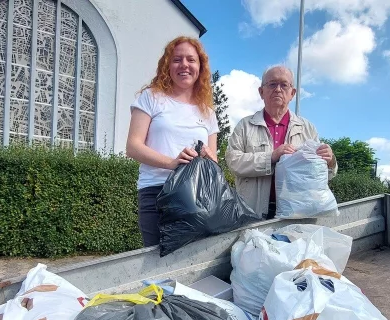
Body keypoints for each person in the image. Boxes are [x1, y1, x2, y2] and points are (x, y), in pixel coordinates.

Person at [126, 36, 219, 247]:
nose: (184, 65)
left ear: (200, 67)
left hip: (197, 196)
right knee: (156, 264)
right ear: (167, 65)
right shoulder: (151, 97)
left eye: (191, 60)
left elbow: (214, 160)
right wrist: (171, 163)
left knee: (190, 263)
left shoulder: (208, 112)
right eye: (177, 59)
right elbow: (133, 146)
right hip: (157, 192)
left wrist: (208, 157)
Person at [226, 65, 337, 219]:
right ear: (261, 92)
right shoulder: (245, 126)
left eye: (284, 85)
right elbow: (233, 161)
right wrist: (270, 157)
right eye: (272, 84)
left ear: (292, 93)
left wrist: (330, 161)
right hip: (251, 214)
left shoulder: (308, 128)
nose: (278, 89)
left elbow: (320, 175)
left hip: (296, 215)